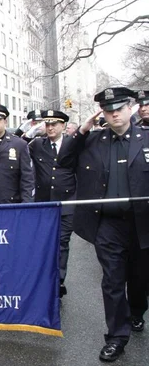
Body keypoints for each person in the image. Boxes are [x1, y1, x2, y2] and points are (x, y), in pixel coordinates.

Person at [58, 87, 149, 362]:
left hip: (142, 222)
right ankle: (116, 336)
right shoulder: (93, 141)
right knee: (112, 281)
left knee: (140, 278)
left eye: (119, 108)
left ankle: (136, 310)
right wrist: (82, 130)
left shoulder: (146, 138)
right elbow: (64, 162)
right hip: (108, 224)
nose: (114, 114)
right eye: (108, 111)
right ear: (103, 115)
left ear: (130, 108)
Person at [28, 110, 76, 298]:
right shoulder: (38, 144)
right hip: (44, 203)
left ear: (63, 126)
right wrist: (33, 130)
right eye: (47, 124)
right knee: (44, 243)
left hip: (67, 201)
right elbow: (18, 142)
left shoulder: (72, 144)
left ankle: (59, 280)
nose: (50, 128)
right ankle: (45, 279)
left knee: (62, 242)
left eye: (54, 124)